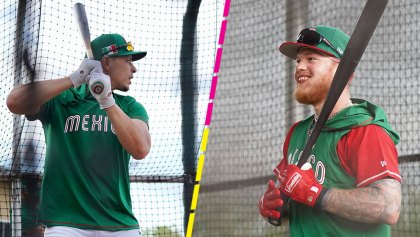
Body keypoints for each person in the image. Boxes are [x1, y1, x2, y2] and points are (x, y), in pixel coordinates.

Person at [258, 25, 401, 237]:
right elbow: (294, 197)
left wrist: (315, 193)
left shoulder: (365, 131)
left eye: (311, 59)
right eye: (298, 61)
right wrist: (277, 205)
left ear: (344, 73)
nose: (299, 67)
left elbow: (389, 207)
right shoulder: (298, 132)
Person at [7, 33, 151, 237]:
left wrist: (107, 100)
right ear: (107, 62)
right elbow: (14, 101)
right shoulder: (62, 99)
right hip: (65, 224)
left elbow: (141, 149)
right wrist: (75, 78)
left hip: (120, 224)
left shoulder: (129, 106)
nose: (134, 68)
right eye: (128, 61)